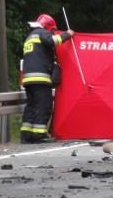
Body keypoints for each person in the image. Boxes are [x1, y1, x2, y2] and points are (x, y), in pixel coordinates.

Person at [20, 14, 74, 144]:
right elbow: (52, 41)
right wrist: (67, 34)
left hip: (28, 79)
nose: (52, 33)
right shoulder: (41, 33)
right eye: (52, 30)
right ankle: (39, 135)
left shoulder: (29, 37)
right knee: (43, 105)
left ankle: (26, 135)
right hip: (40, 77)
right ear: (47, 26)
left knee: (31, 106)